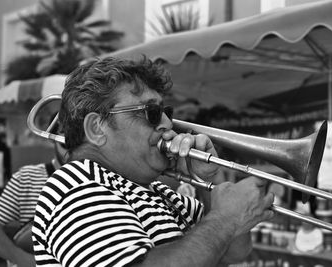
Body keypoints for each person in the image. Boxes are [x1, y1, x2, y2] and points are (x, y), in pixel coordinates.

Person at [32, 56, 275, 267]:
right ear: (97, 128)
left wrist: (209, 179)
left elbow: (232, 251)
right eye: (150, 112)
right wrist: (226, 218)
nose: (168, 124)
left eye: (165, 112)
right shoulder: (78, 189)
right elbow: (222, 229)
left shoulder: (155, 190)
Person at [0, 120, 67, 267]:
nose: (72, 153)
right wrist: (21, 258)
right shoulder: (26, 178)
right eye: (65, 144)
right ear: (51, 139)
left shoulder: (103, 179)